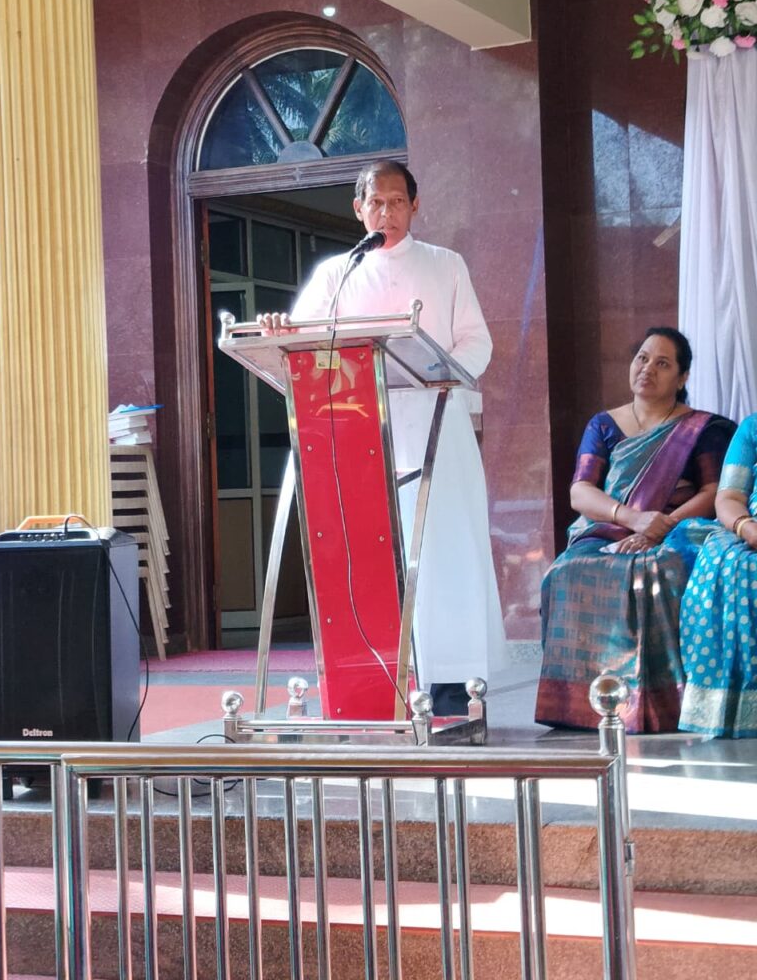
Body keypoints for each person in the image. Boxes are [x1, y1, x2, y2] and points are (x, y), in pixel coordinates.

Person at [258, 160, 508, 714]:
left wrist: (442, 375)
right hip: (359, 430)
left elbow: (476, 342)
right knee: (368, 556)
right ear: (358, 209)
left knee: (443, 553)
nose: (386, 213)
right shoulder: (337, 273)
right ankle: (376, 680)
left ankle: (450, 686)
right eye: (376, 202)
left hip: (436, 424)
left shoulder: (445, 265)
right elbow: (300, 342)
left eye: (397, 202)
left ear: (415, 206)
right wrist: (280, 329)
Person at [534, 327, 735, 733]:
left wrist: (660, 527)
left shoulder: (703, 428)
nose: (647, 369)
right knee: (566, 571)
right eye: (642, 358)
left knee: (658, 571)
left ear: (682, 377)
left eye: (663, 363)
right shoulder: (603, 425)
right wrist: (632, 518)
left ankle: (667, 704)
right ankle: (577, 704)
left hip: (679, 529)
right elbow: (580, 491)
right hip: (610, 529)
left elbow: (714, 491)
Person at [678, 415, 757, 738]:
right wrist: (747, 528)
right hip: (750, 529)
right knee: (735, 565)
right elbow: (729, 497)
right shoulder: (753, 428)